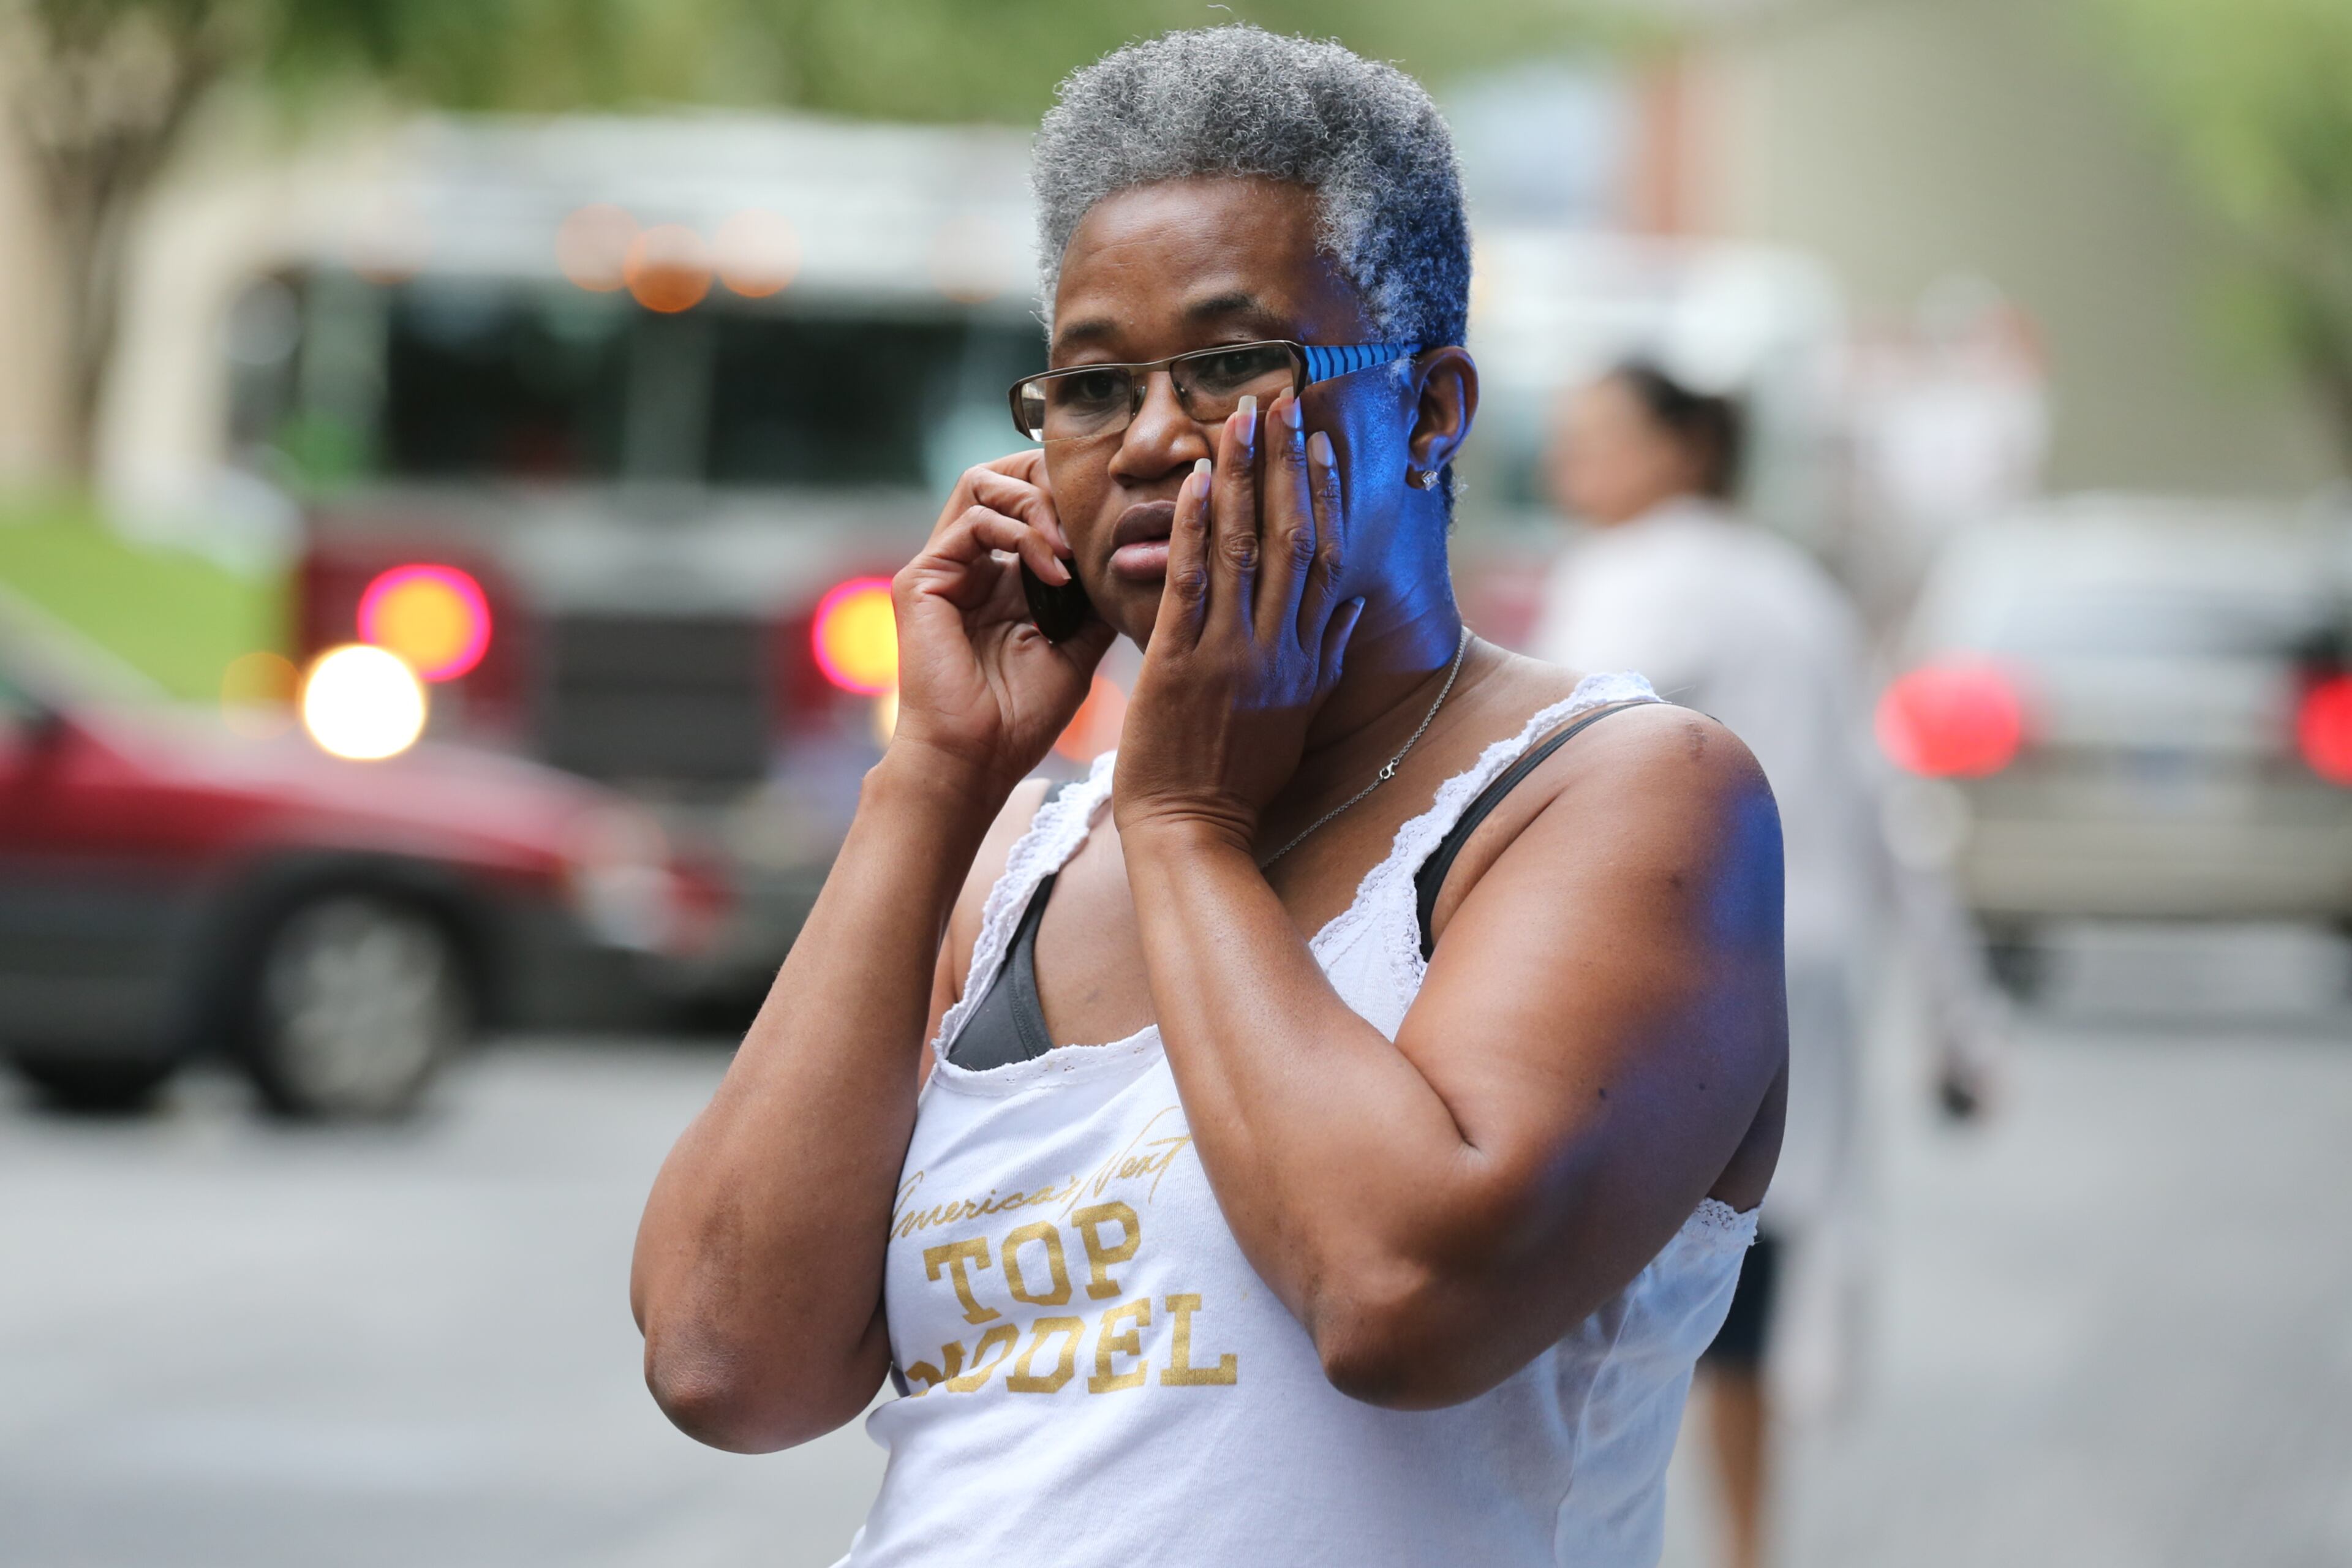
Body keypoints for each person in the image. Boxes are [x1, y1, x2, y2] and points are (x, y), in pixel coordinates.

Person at [631, 29, 1789, 1567]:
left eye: (1237, 364)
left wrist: (1186, 824)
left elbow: (1398, 1295)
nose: (1158, 437)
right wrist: (934, 779)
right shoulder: (1027, 858)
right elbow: (726, 1358)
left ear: (1433, 410)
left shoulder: (1628, 796)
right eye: (1094, 385)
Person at [1532, 363, 2002, 1568]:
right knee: (1739, 1273)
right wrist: (1961, 1022)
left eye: (1599, 434)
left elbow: (1540, 783)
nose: (1571, 459)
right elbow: (1890, 806)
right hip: (1809, 974)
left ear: (1685, 450)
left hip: (1666, 975)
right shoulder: (1799, 591)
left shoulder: (1625, 581)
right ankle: (1746, 1545)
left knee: (1608, 1281)